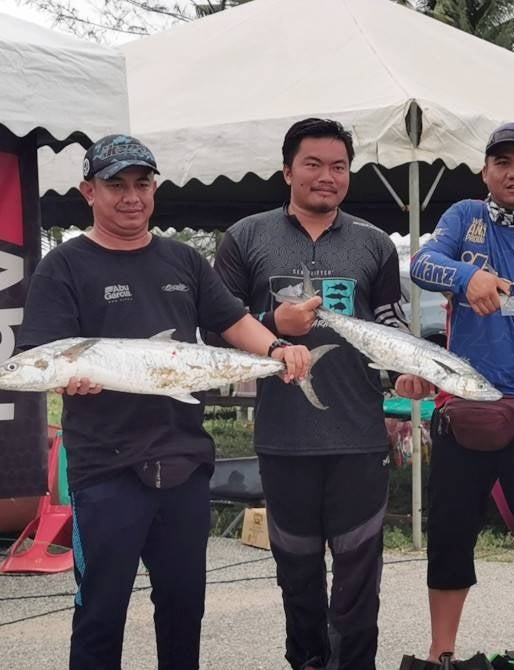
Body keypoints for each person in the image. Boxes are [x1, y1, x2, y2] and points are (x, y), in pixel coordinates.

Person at [15, 134, 311, 670]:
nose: (131, 196)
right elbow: (46, 356)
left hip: (183, 463)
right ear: (89, 191)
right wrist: (66, 382)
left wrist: (276, 348)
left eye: (142, 184)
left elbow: (231, 320)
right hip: (105, 468)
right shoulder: (63, 267)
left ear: (154, 189)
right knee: (100, 611)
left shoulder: (184, 261)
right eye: (116, 185)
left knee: (182, 608)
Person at [212, 118, 413, 670]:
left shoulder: (374, 243)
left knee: (358, 577)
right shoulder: (247, 237)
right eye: (313, 164)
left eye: (339, 167)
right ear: (287, 170)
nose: (327, 177)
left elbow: (390, 324)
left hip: (358, 437)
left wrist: (407, 372)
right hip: (284, 440)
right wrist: (269, 322)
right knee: (296, 577)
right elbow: (215, 328)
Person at [400, 122, 514, 660]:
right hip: (463, 402)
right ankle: (442, 654)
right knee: (450, 535)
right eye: (503, 162)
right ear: (485, 171)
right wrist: (467, 278)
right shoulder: (464, 218)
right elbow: (422, 264)